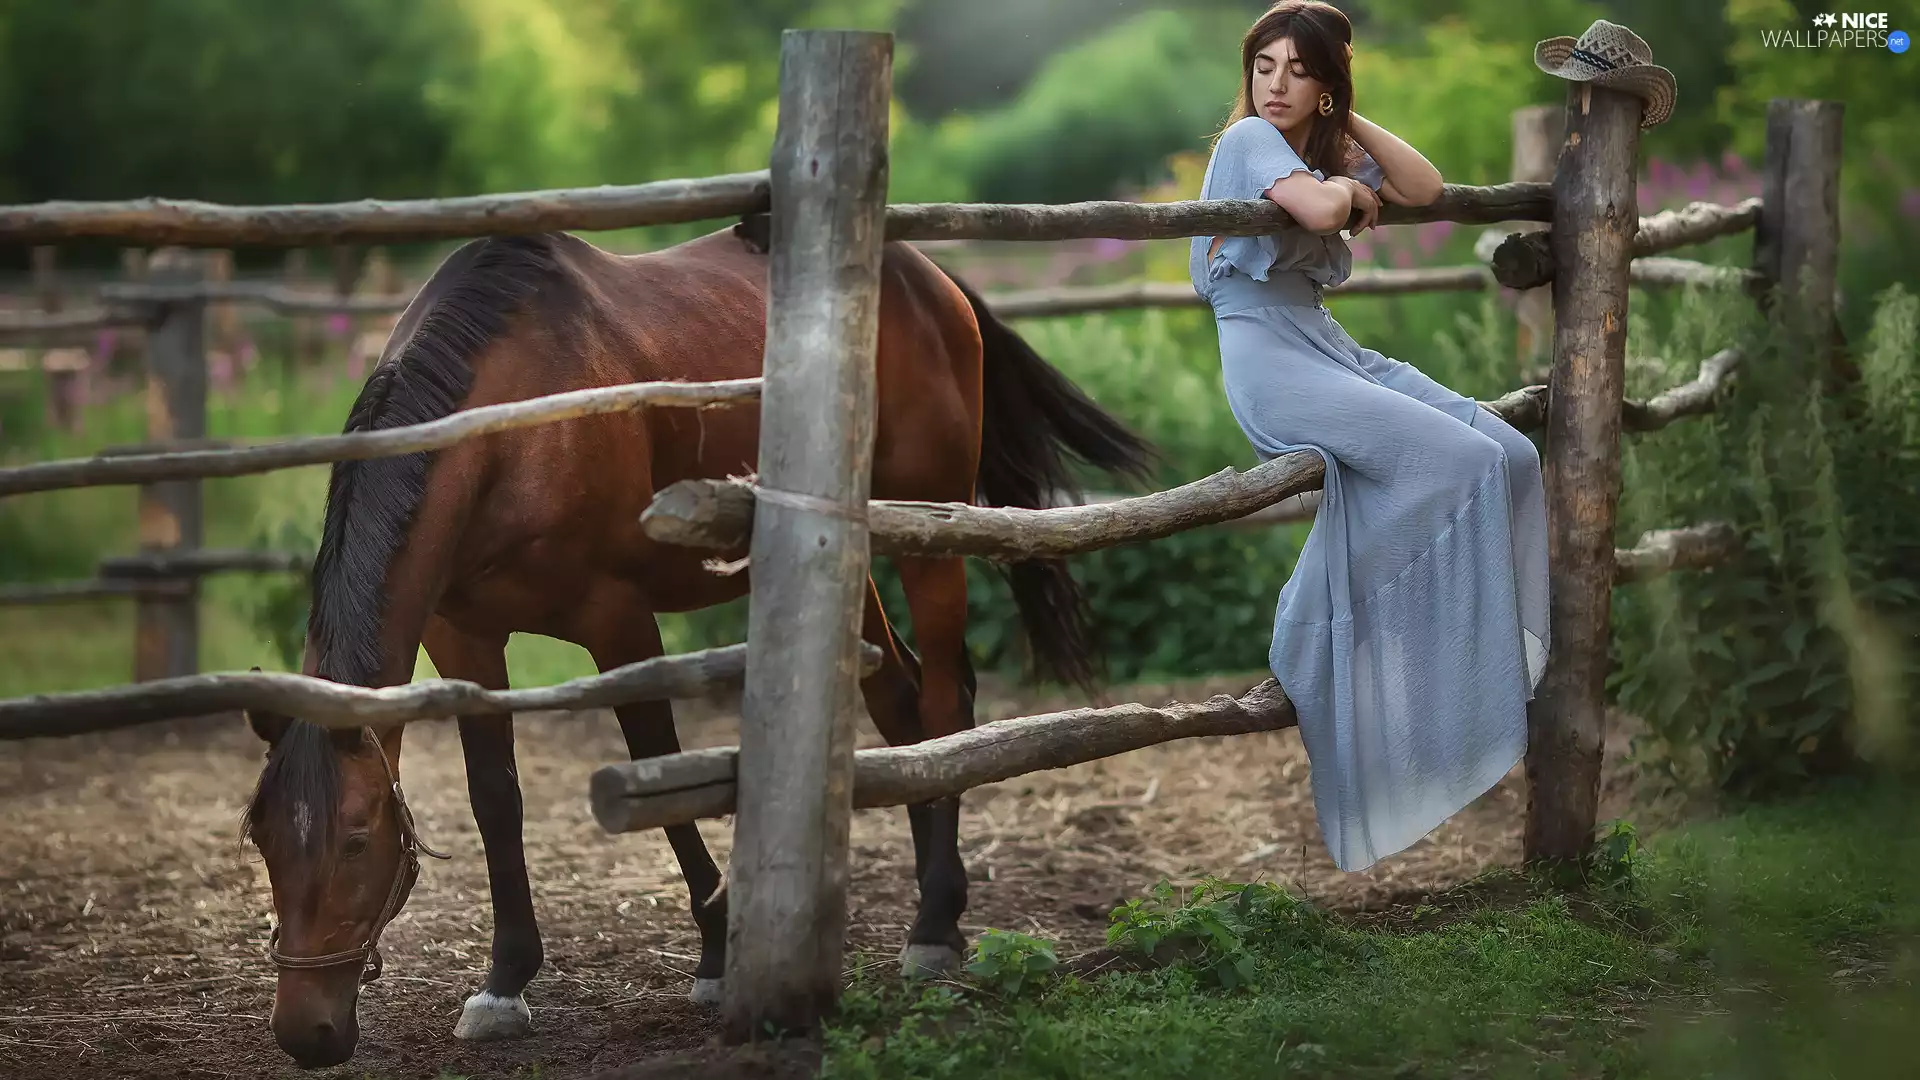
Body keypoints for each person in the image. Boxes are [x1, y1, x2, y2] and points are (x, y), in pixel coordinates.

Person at [1190, 0, 1550, 872]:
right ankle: (1316, 631)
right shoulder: (1245, 143)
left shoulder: (1317, 140)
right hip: (1272, 362)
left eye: (1299, 71)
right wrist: (1350, 192)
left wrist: (1344, 127)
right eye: (1264, 66)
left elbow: (1423, 188)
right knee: (1461, 461)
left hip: (1327, 345)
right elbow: (1319, 214)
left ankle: (1458, 656)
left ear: (1327, 87)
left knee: (1512, 454)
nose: (1275, 85)